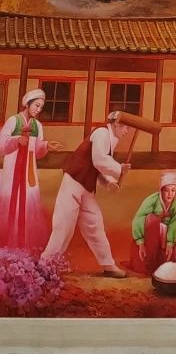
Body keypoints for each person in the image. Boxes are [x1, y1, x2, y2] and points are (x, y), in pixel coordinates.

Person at [41, 112, 130, 277]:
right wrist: (119, 168)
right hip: (74, 182)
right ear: (116, 124)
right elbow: (99, 160)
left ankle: (108, 265)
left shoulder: (110, 139)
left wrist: (109, 182)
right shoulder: (102, 133)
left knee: (95, 224)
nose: (127, 131)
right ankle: (45, 264)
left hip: (86, 187)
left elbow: (97, 168)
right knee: (64, 225)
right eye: (125, 127)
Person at [0, 89, 60, 251]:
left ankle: (24, 244)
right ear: (28, 104)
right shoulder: (13, 121)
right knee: (11, 201)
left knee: (28, 202)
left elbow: (38, 150)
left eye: (41, 107)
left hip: (29, 171)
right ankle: (8, 243)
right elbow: (2, 145)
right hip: (12, 169)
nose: (38, 109)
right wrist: (16, 141)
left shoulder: (37, 126)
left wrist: (47, 145)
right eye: (36, 105)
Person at [128, 171, 176, 277]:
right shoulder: (152, 200)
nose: (170, 194)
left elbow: (174, 225)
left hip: (165, 238)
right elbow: (139, 218)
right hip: (149, 236)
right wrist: (140, 242)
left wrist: (170, 243)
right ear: (161, 190)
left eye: (173, 190)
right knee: (151, 219)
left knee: (168, 263)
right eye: (166, 190)